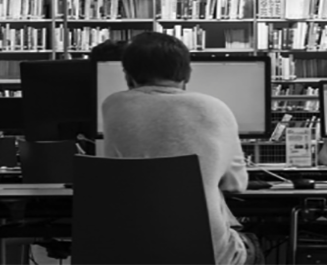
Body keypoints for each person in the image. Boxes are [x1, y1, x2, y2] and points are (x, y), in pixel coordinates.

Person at [98, 31, 260, 265]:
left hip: (131, 252)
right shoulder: (217, 108)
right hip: (208, 256)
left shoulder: (112, 105)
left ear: (127, 75)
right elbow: (236, 185)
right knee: (254, 242)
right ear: (188, 74)